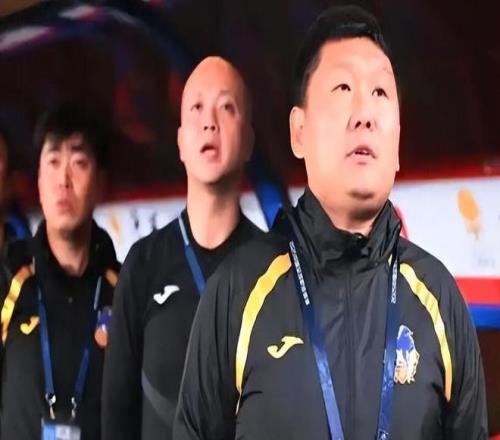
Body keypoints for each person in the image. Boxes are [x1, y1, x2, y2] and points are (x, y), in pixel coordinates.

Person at [174, 6, 487, 440]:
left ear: (397, 140)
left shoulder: (439, 299)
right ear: (298, 132)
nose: (365, 113)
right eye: (343, 88)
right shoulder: (237, 293)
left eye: (380, 92)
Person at [102, 56, 263, 440]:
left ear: (248, 141)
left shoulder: (274, 267)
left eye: (227, 107)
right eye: (197, 108)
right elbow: (117, 417)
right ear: (180, 142)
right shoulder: (143, 264)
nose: (210, 122)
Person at [0, 103, 120, 439]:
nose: (63, 180)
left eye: (78, 163)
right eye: (53, 162)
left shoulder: (124, 290)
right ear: (38, 180)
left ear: (100, 183)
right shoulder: (9, 278)